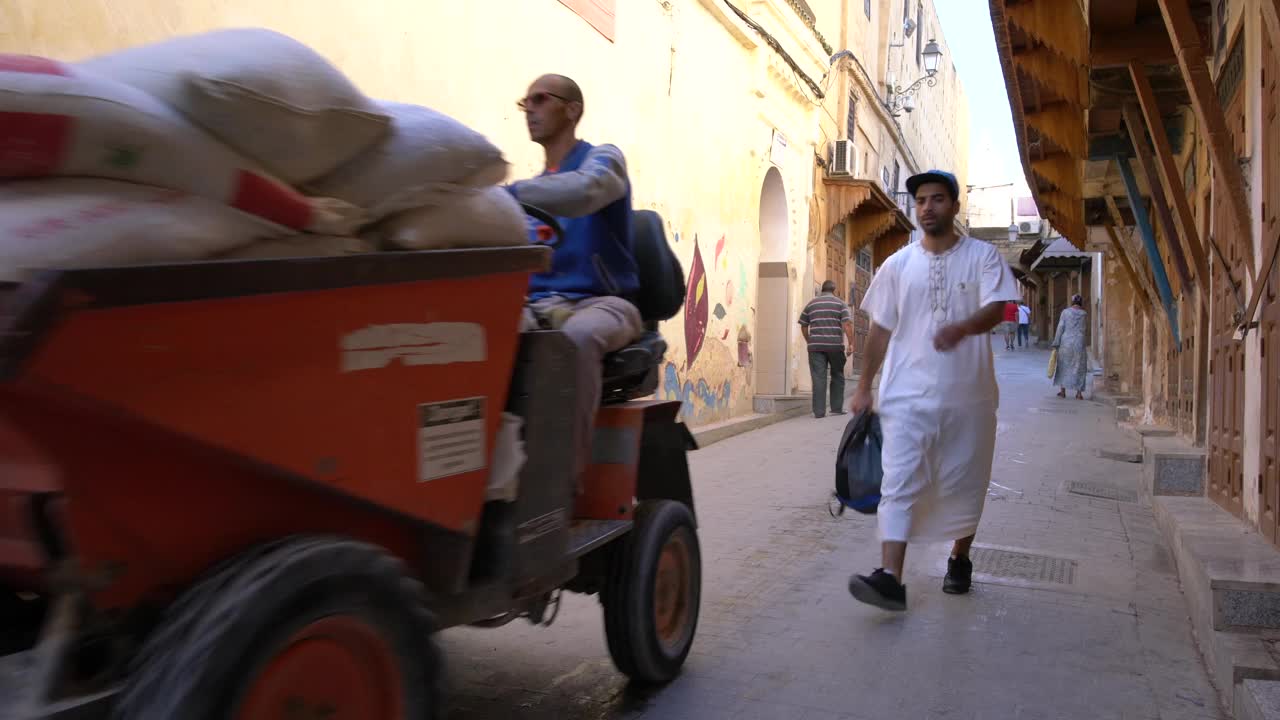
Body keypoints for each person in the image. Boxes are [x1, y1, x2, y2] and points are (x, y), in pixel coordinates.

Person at [847, 169, 1020, 611]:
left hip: (969, 398)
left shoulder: (983, 257)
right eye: (921, 200)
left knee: (965, 481)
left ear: (955, 206)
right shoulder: (897, 266)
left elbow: (1001, 306)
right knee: (899, 482)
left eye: (937, 199)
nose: (928, 207)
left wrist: (962, 328)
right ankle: (890, 577)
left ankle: (959, 559)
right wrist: (865, 385)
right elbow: (880, 329)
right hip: (905, 396)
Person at [506, 74, 643, 487]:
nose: (529, 108)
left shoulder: (602, 160)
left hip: (603, 304)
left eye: (540, 99)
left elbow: (589, 189)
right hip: (537, 307)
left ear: (572, 110)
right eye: (524, 102)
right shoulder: (532, 190)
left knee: (577, 339)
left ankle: (562, 482)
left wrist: (508, 194)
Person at [799, 280, 855, 418]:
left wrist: (809, 340)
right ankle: (836, 408)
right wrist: (851, 343)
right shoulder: (840, 304)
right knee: (837, 375)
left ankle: (819, 412)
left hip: (815, 347)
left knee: (818, 378)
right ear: (833, 290)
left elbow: (804, 325)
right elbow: (847, 324)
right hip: (835, 346)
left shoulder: (811, 304)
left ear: (822, 290)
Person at [1052, 295, 1089, 400]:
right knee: (1080, 367)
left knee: (1063, 365)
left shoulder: (1065, 312)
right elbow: (1085, 329)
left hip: (1066, 342)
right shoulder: (1084, 314)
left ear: (1072, 302)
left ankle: (1063, 391)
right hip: (1079, 342)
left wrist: (1056, 342)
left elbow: (1061, 327)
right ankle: (1079, 394)